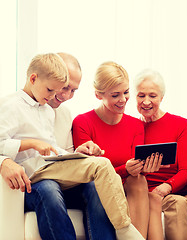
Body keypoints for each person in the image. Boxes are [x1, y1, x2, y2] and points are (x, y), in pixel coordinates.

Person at [0, 53, 144, 240]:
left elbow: (52, 149)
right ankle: (124, 229)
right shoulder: (10, 105)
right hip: (32, 175)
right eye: (54, 89)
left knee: (95, 180)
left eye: (72, 90)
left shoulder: (47, 110)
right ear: (34, 79)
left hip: (50, 167)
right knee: (95, 168)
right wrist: (28, 146)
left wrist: (76, 154)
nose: (59, 96)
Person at [23, 52, 116, 240]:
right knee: (49, 187)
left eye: (73, 90)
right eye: (64, 87)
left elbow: (61, 155)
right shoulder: (17, 107)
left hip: (60, 182)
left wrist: (77, 152)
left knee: (94, 184)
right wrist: (4, 162)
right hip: (34, 184)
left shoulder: (64, 114)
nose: (66, 95)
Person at [72, 61, 153, 238]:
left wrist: (141, 168)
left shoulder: (136, 125)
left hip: (126, 184)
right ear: (98, 95)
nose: (123, 100)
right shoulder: (82, 122)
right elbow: (87, 174)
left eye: (126, 92)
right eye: (115, 95)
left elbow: (135, 167)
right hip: (97, 185)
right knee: (101, 183)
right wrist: (125, 169)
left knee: (138, 179)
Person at [134, 69, 187, 240]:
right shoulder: (130, 126)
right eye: (141, 96)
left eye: (152, 96)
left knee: (178, 203)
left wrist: (165, 188)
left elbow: (186, 171)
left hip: (169, 191)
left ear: (161, 97)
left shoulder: (180, 125)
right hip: (139, 192)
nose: (146, 102)